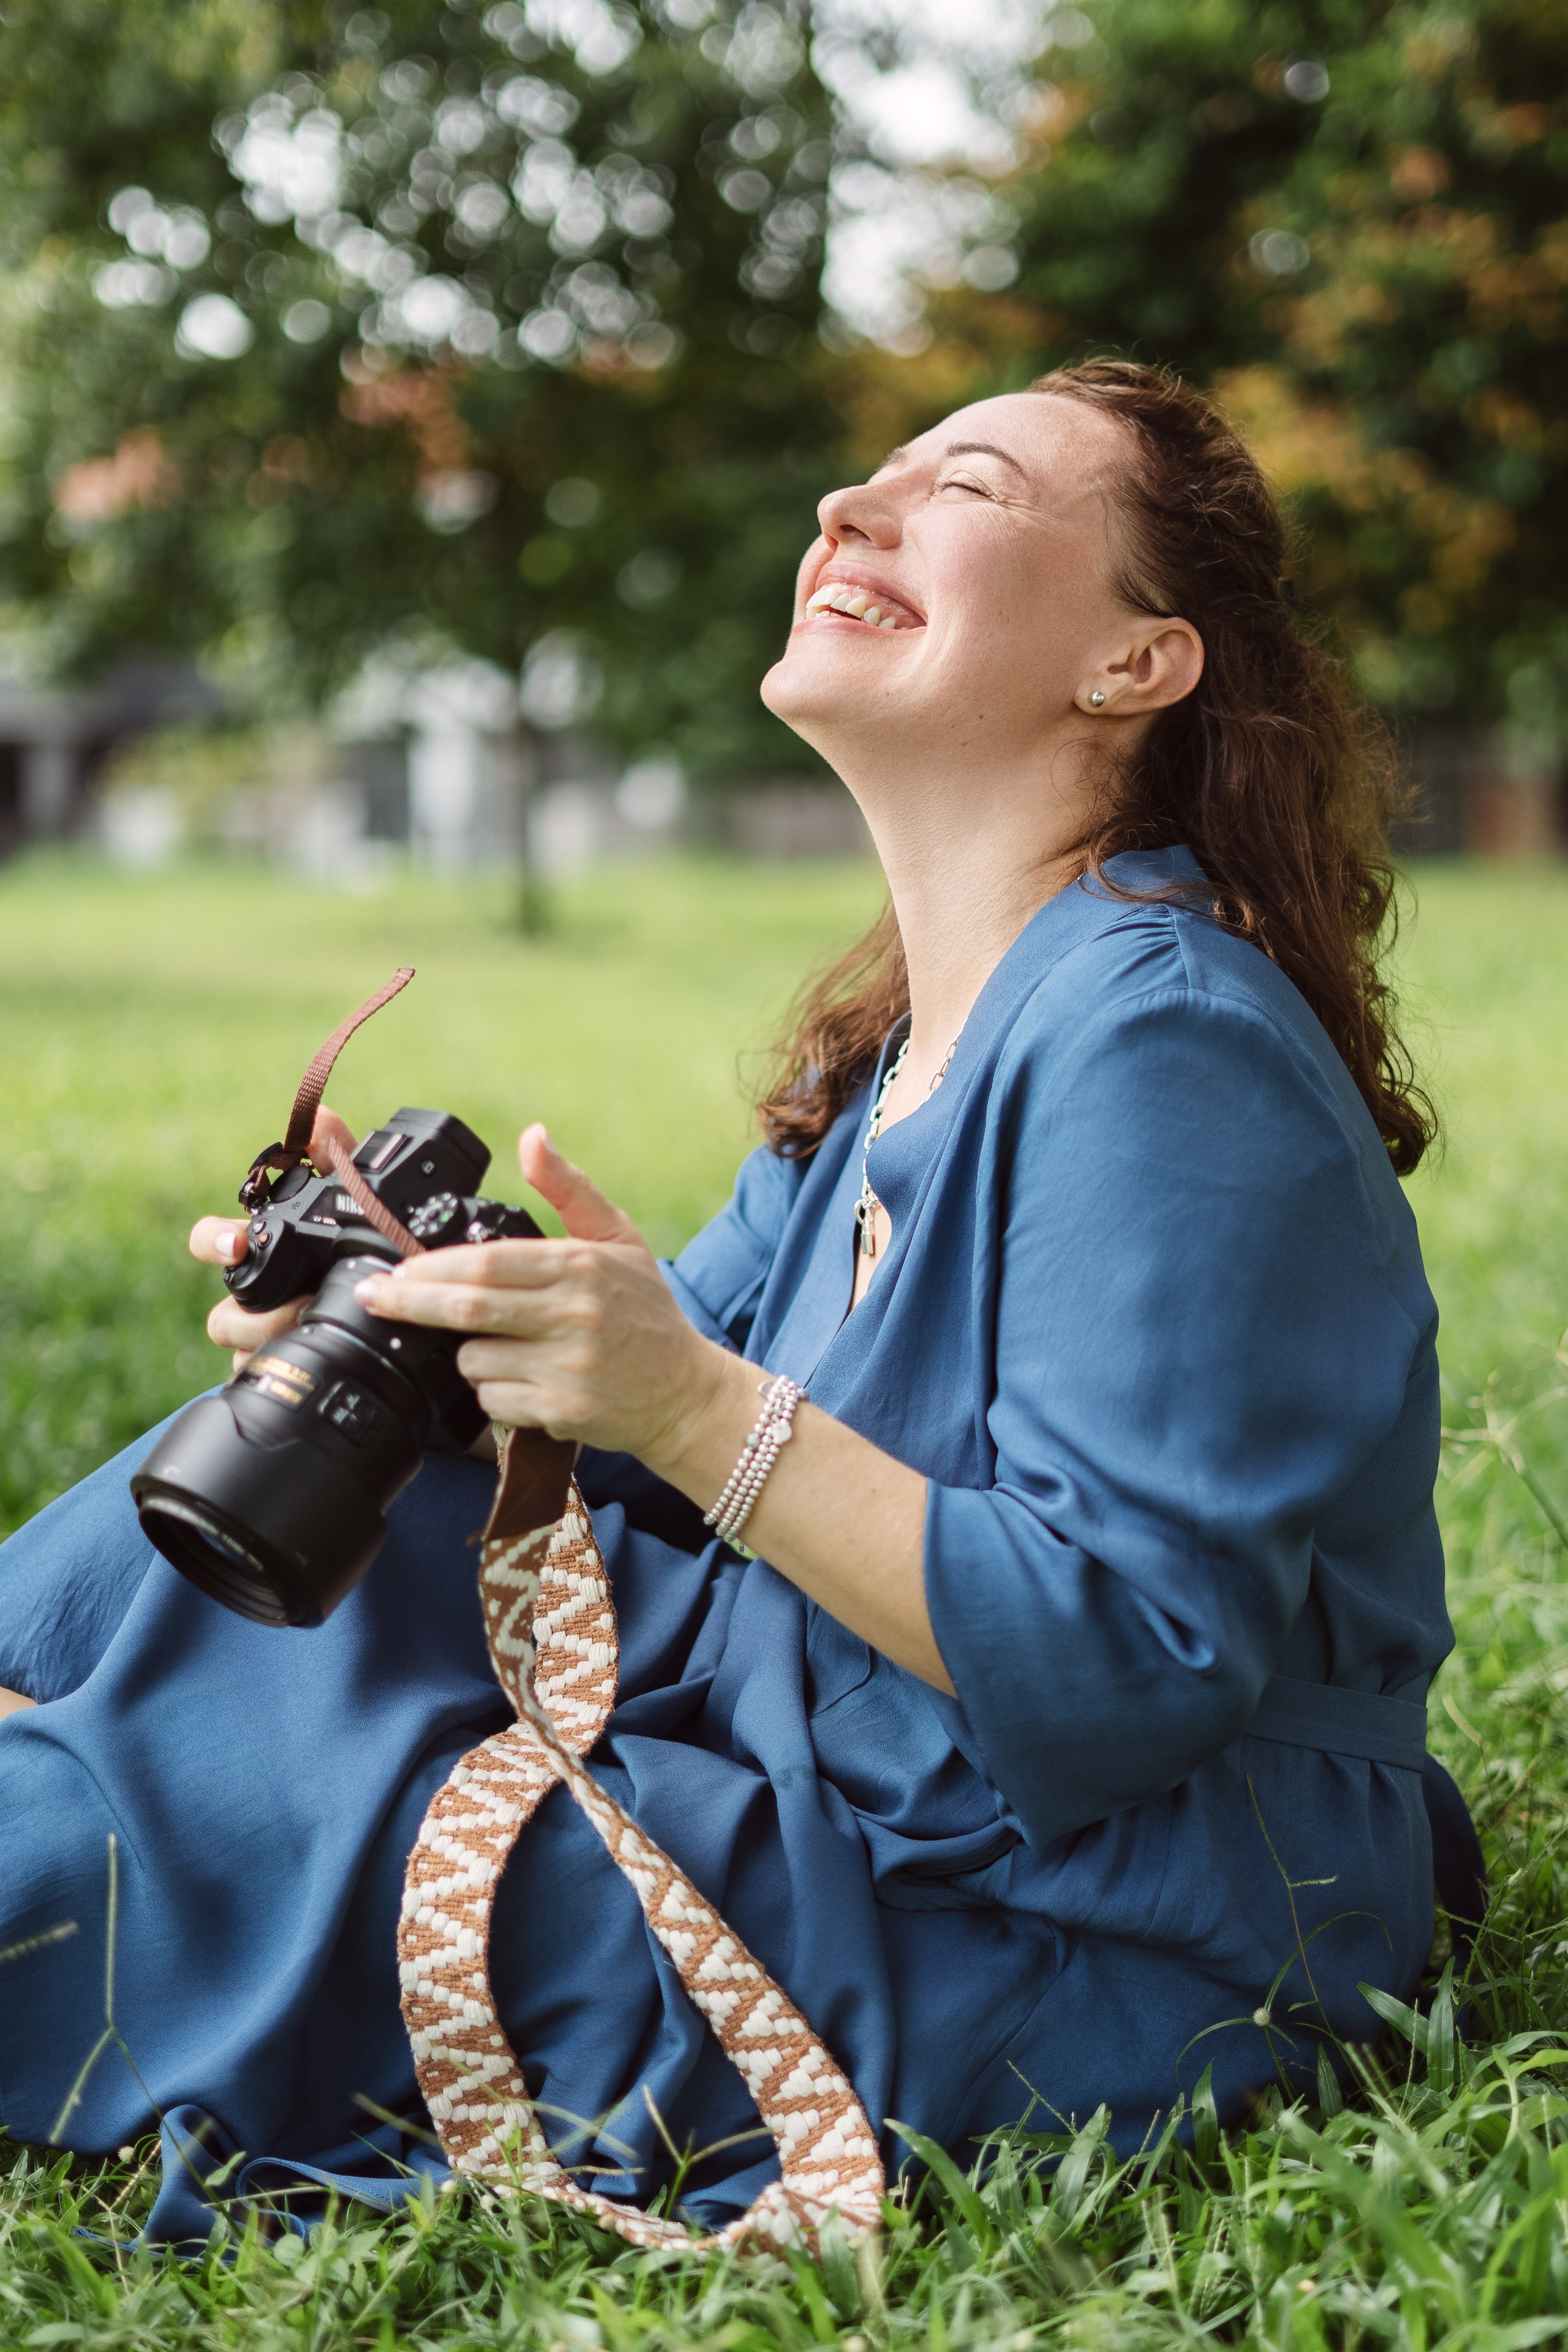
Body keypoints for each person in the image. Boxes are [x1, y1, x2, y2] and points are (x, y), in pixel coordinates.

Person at [0, 361, 1465, 2241]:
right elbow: (643, 1424)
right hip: (813, 1749)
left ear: (1136, 662)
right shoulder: (904, 1054)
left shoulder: (1166, 1046)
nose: (852, 508)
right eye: (872, 473)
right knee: (306, 1510)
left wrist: (689, 1400)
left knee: (182, 1855)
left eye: (967, 487)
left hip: (1070, 1920)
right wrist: (426, 1327)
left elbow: (1130, 1660)